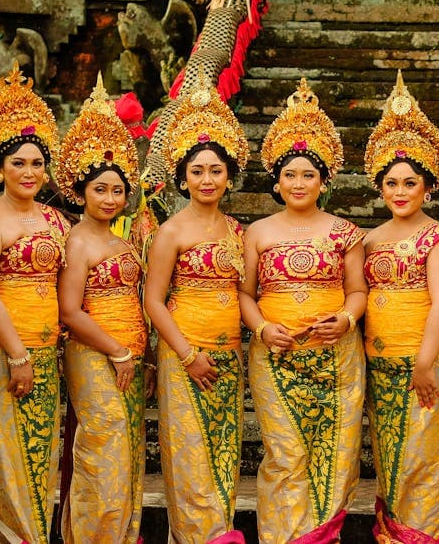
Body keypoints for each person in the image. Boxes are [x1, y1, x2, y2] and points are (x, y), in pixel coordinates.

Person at [238, 79, 367, 542]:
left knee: (334, 453)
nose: (298, 183)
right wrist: (261, 329)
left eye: (307, 175)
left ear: (323, 180)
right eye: (289, 175)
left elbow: (358, 292)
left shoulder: (345, 232)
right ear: (276, 180)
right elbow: (246, 294)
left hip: (336, 357)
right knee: (285, 451)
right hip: (276, 355)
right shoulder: (257, 233)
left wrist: (347, 319)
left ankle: (320, 537)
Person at [143, 74, 251, 542]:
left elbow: (248, 295)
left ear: (229, 175)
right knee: (190, 462)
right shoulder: (172, 232)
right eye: (197, 171)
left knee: (224, 460)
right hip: (185, 359)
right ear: (182, 177)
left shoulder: (239, 231)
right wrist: (188, 354)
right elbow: (153, 299)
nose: (206, 180)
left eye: (215, 171)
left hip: (229, 360)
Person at [360, 74, 439, 542]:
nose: (400, 192)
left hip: (428, 361)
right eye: (391, 183)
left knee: (426, 461)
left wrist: (424, 363)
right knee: (393, 462)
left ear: (428, 187)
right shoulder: (370, 239)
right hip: (382, 364)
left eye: (410, 183)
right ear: (380, 188)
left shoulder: (438, 238)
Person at [0, 64, 69, 543]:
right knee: (8, 463)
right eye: (17, 164)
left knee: (39, 463)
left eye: (36, 163)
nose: (29, 172)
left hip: (48, 356)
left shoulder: (54, 219)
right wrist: (16, 355)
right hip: (12, 355)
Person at [56, 76, 155, 543]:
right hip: (95, 353)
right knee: (104, 446)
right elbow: (71, 311)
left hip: (126, 357)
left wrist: (140, 355)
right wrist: (116, 350)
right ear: (82, 191)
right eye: (100, 190)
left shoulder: (119, 239)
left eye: (117, 191)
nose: (110, 199)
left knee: (125, 451)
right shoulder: (77, 240)